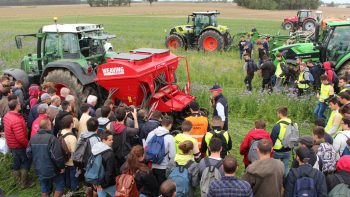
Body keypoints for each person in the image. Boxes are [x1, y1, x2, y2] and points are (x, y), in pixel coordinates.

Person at [27, 118, 65, 197]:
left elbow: (28, 153)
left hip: (39, 168)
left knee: (44, 186)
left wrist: (36, 161)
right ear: (48, 126)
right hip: (52, 169)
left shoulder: (32, 138)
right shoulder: (52, 138)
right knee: (60, 184)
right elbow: (57, 157)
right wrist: (61, 167)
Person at [3, 99, 32, 188]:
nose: (20, 105)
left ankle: (17, 181)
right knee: (25, 163)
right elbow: (20, 138)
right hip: (18, 145)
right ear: (16, 106)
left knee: (17, 162)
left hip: (12, 144)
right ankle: (24, 183)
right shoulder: (16, 120)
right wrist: (28, 144)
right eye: (19, 104)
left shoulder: (7, 115)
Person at [145, 115, 175, 185]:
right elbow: (172, 155)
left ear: (161, 122)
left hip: (151, 165)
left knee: (153, 186)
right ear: (170, 125)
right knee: (162, 187)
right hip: (163, 167)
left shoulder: (151, 133)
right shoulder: (170, 138)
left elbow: (145, 148)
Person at [91, 131, 116, 197]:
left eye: (112, 139)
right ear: (103, 140)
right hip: (108, 183)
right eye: (109, 140)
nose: (112, 141)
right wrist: (104, 185)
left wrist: (96, 183)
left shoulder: (95, 149)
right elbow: (109, 171)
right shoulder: (110, 154)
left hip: (98, 181)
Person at [270, 107, 293, 176]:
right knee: (286, 167)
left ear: (280, 114)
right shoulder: (292, 123)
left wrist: (270, 147)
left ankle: (274, 178)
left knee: (273, 167)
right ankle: (286, 182)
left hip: (277, 151)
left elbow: (272, 139)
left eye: (277, 113)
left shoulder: (278, 125)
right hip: (288, 149)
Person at [59, 115, 78, 192]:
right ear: (71, 124)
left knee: (66, 175)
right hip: (71, 161)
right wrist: (77, 163)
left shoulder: (60, 132)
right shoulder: (72, 137)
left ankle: (67, 187)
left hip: (63, 159)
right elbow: (74, 152)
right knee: (73, 176)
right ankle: (73, 190)